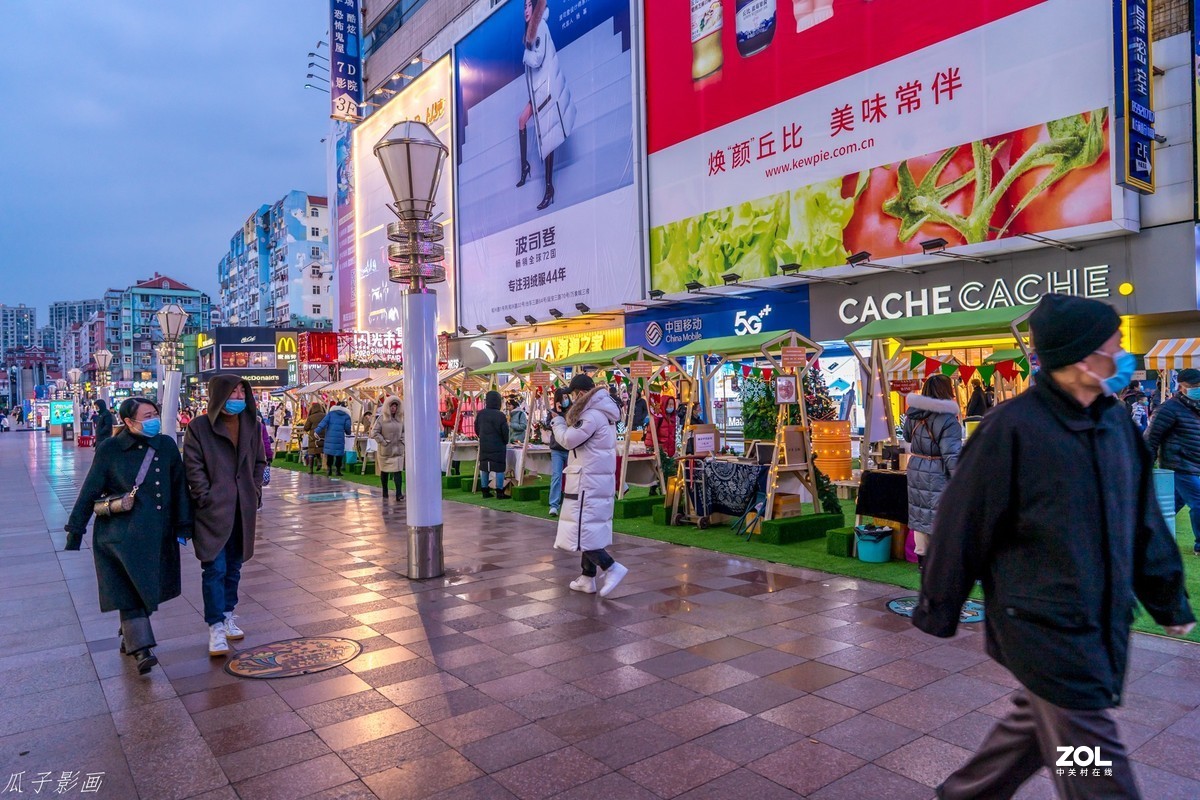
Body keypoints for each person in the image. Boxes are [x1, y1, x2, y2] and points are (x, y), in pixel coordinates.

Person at [913, 294, 1194, 800]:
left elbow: (1144, 520)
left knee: (1032, 728)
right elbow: (962, 525)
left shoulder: (1116, 425)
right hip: (1043, 627)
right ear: (1083, 358)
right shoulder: (1012, 428)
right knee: (1092, 763)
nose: (1125, 356)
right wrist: (939, 607)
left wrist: (1167, 597)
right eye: (1116, 346)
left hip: (1098, 617)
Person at [64, 397, 191, 674]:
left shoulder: (166, 445)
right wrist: (75, 530)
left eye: (154, 413)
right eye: (147, 416)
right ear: (128, 422)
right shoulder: (110, 449)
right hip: (119, 534)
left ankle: (129, 633)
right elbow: (90, 489)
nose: (153, 419)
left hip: (157, 533)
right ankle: (141, 649)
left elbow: (179, 486)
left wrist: (183, 525)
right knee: (129, 587)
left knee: (145, 586)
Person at [183, 375, 267, 657]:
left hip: (242, 508)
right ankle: (215, 626)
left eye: (243, 391)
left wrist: (254, 491)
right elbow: (193, 467)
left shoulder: (251, 425)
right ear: (219, 395)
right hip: (212, 510)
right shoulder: (199, 427)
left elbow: (259, 461)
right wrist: (205, 496)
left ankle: (228, 613)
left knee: (234, 566)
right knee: (214, 568)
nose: (239, 397)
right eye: (233, 392)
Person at [550, 374, 628, 597]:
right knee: (588, 527)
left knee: (582, 530)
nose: (572, 399)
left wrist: (557, 421)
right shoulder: (602, 413)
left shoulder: (592, 415)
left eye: (573, 395)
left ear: (581, 394)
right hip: (595, 478)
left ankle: (611, 567)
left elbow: (567, 440)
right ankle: (587, 577)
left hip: (588, 480)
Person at [515, 0, 575, 211]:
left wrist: (525, 55)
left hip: (546, 91)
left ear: (536, 7)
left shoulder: (540, 26)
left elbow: (537, 59)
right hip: (538, 91)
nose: (526, 10)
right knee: (522, 120)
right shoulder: (533, 30)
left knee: (547, 139)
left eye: (529, 6)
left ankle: (549, 188)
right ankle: (525, 167)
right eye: (524, 7)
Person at [902, 374, 963, 568]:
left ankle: (922, 561)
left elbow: (906, 437)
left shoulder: (913, 413)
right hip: (938, 471)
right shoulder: (948, 419)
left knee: (920, 514)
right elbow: (952, 455)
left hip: (915, 467)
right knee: (942, 516)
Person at [1145, 367, 1200, 555]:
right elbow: (1151, 439)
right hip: (1178, 465)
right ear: (1182, 386)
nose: (1197, 389)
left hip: (1193, 465)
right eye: (1193, 386)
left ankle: (1143, 536)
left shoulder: (1195, 407)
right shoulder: (1168, 409)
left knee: (1171, 506)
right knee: (1199, 502)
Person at [476, 391, 510, 499]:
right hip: (498, 445)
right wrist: (505, 441)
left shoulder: (481, 414)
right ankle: (499, 491)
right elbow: (505, 431)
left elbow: (476, 429)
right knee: (499, 467)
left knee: (484, 466)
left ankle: (485, 490)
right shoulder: (500, 415)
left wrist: (482, 437)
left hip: (485, 444)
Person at [371, 395, 405, 501]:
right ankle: (385, 491)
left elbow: (404, 431)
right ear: (387, 407)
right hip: (385, 451)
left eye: (395, 406)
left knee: (398, 472)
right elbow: (374, 433)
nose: (393, 408)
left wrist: (402, 441)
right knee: (384, 471)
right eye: (391, 406)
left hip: (397, 451)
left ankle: (398, 493)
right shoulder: (381, 419)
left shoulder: (400, 419)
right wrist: (383, 442)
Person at [546, 387, 571, 516]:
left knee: (572, 477)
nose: (565, 400)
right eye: (563, 398)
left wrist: (561, 415)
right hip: (557, 449)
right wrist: (556, 413)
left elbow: (571, 424)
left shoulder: (572, 410)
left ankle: (569, 503)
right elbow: (548, 424)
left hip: (570, 448)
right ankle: (554, 504)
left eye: (566, 397)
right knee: (557, 476)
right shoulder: (552, 412)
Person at [315, 400, 353, 476]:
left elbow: (323, 423)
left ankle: (329, 470)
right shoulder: (346, 416)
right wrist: (348, 432)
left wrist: (317, 431)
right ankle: (337, 470)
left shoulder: (330, 414)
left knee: (330, 454)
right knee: (339, 454)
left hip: (329, 437)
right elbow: (347, 427)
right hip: (339, 438)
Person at [303, 401, 327, 474]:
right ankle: (323, 464)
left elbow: (306, 428)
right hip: (323, 435)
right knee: (321, 449)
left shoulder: (311, 417)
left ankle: (311, 470)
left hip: (314, 436)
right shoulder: (325, 415)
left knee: (312, 452)